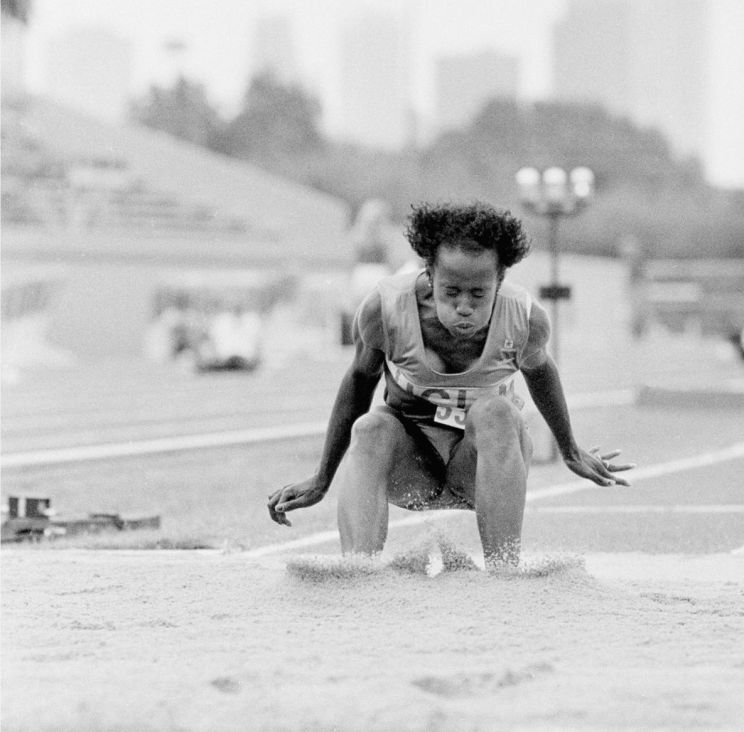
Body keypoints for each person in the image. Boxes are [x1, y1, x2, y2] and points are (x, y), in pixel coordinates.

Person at [268, 202, 633, 567]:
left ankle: (504, 572)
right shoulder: (385, 310)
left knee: (496, 412)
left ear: (500, 280)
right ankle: (358, 570)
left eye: (478, 294)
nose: (464, 306)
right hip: (412, 467)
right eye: (451, 291)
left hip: (480, 466)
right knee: (370, 427)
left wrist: (569, 450)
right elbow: (359, 382)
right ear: (429, 274)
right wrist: (322, 478)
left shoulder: (524, 319)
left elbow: (542, 373)